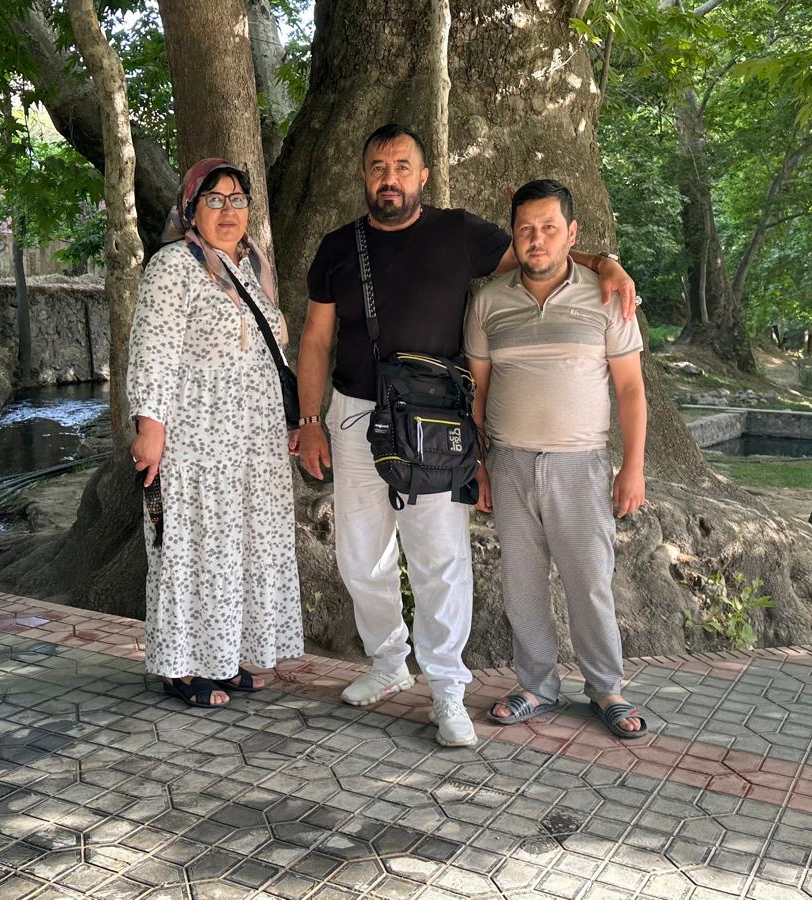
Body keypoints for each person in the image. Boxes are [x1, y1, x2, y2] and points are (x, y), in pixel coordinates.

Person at [293, 125, 638, 747]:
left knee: (440, 558)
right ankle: (388, 663)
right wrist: (310, 420)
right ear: (364, 175)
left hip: (433, 420)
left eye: (403, 166)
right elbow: (316, 338)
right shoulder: (338, 247)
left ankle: (447, 687)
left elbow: (540, 250)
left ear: (424, 176)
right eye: (378, 167)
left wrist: (604, 261)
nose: (390, 178)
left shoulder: (459, 233)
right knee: (361, 553)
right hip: (353, 412)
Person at [466, 179, 649, 739]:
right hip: (510, 464)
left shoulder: (607, 294)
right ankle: (536, 685)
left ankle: (607, 688)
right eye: (525, 229)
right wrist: (480, 464)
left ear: (572, 234)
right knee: (522, 584)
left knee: (589, 582)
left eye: (549, 228)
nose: (537, 239)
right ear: (513, 235)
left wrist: (633, 467)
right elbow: (476, 392)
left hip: (582, 465)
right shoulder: (488, 301)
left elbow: (631, 390)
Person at [127, 157, 303, 709]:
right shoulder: (173, 266)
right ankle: (183, 670)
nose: (229, 211)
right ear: (191, 208)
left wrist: (291, 421)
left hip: (251, 445)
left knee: (237, 551)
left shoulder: (250, 267)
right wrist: (149, 428)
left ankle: (223, 660)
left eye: (238, 200)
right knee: (192, 551)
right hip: (197, 444)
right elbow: (153, 352)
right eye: (215, 199)